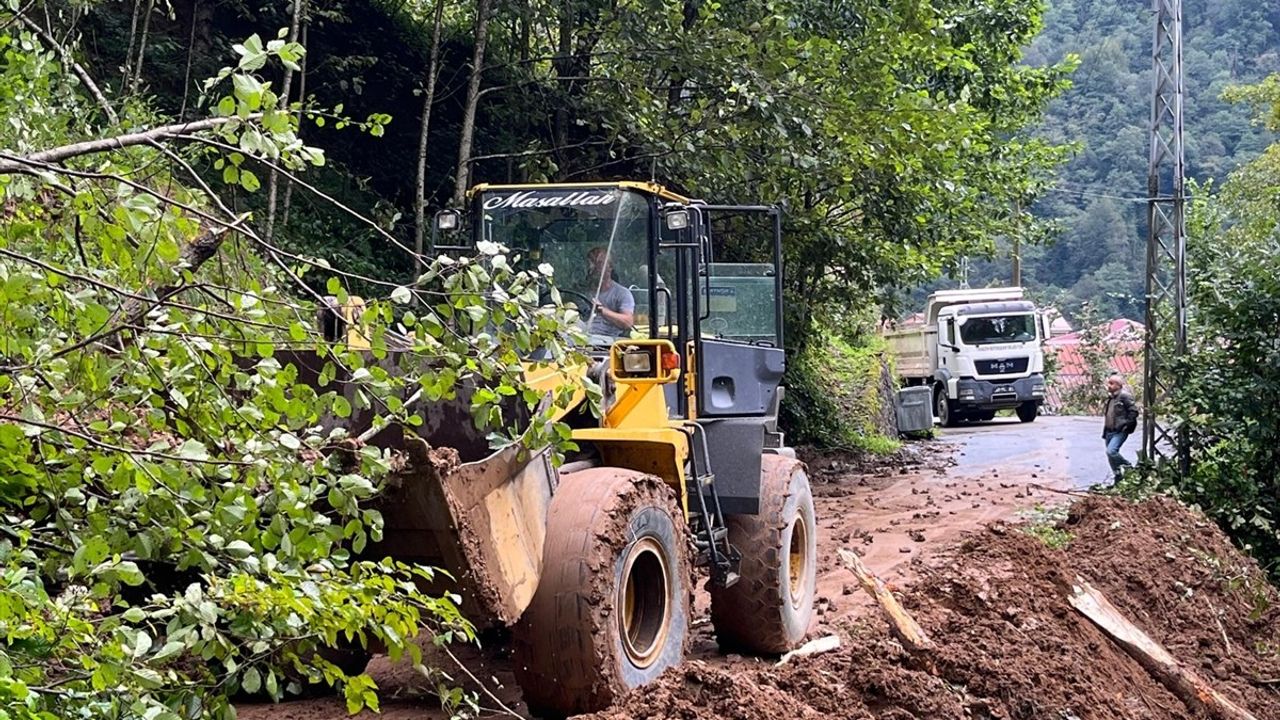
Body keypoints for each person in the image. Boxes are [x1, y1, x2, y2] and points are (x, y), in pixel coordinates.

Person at [585, 246, 634, 342]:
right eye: (590, 263)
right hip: (579, 339)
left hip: (607, 341)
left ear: (610, 267)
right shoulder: (581, 292)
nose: (592, 267)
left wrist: (602, 310)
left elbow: (628, 322)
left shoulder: (621, 293)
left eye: (598, 263)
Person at [1101, 373, 1140, 482]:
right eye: (1109, 383)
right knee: (1110, 456)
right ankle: (1118, 476)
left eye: (1112, 383)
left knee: (1111, 451)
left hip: (1119, 430)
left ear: (1119, 385)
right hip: (1109, 431)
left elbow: (1134, 411)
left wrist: (1126, 425)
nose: (1109, 385)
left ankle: (1128, 467)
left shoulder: (1124, 396)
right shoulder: (1111, 398)